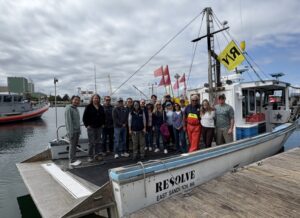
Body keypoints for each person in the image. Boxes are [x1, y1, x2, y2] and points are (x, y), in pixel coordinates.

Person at [83, 94, 105, 162]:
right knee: (91, 143)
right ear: (92, 99)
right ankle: (90, 156)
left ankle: (97, 155)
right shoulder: (88, 107)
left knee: (98, 142)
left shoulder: (101, 107)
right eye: (95, 98)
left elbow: (103, 116)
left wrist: (103, 124)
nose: (96, 99)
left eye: (97, 98)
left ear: (99, 99)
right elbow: (84, 117)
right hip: (91, 128)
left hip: (99, 127)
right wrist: (87, 125)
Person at [65, 95, 82, 168]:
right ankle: (71, 161)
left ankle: (74, 159)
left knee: (74, 146)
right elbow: (69, 122)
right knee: (72, 146)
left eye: (78, 100)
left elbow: (77, 121)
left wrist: (79, 130)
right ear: (71, 100)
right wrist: (70, 133)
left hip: (77, 131)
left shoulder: (76, 109)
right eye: (75, 100)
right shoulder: (69, 109)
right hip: (72, 131)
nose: (76, 101)